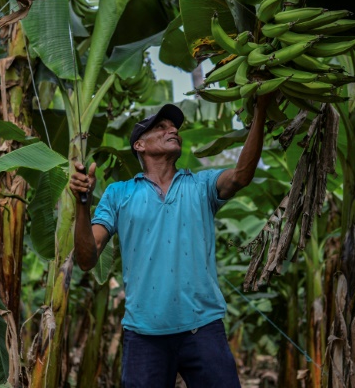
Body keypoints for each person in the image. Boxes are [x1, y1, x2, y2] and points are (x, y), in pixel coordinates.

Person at [71, 95, 270, 388]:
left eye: (174, 127)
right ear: (139, 145)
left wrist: (261, 110)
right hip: (144, 336)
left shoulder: (201, 185)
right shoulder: (118, 193)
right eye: (161, 127)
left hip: (202, 330)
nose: (172, 130)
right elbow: (87, 259)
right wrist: (82, 203)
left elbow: (241, 175)